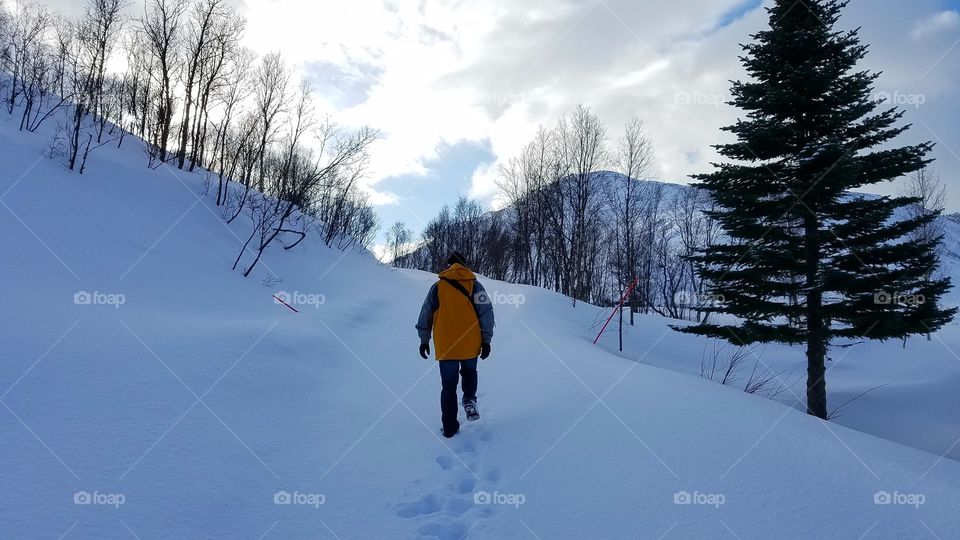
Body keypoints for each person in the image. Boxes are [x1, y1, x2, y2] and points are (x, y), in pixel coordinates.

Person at [416, 251, 495, 438]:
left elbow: (425, 312)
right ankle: (469, 399)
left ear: (449, 266)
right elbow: (486, 313)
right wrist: (486, 340)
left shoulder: (438, 287)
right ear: (465, 265)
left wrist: (424, 339)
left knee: (448, 386)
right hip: (470, 342)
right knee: (469, 372)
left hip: (446, 345)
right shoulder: (475, 285)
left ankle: (450, 426)